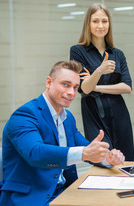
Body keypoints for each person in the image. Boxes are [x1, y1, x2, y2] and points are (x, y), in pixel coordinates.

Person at [0, 60, 125, 206]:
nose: (71, 92)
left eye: (75, 87)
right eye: (65, 84)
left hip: (64, 192)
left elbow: (86, 148)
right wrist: (85, 152)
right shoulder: (25, 115)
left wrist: (106, 157)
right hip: (31, 197)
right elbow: (35, 153)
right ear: (49, 82)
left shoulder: (67, 118)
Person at [70, 3, 134, 161]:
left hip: (118, 110)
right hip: (93, 111)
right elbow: (84, 89)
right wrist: (100, 70)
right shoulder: (77, 51)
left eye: (104, 21)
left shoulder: (117, 54)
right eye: (95, 21)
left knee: (125, 159)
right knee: (103, 158)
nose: (100, 25)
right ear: (88, 24)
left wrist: (95, 86)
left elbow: (126, 87)